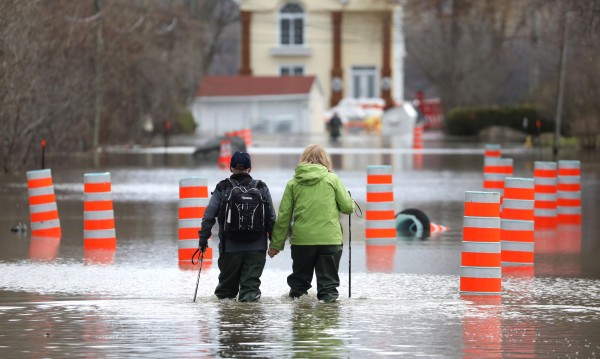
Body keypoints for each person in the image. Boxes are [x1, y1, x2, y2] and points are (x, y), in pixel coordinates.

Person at [268, 144, 354, 303]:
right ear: (326, 160)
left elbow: (284, 216)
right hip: (330, 240)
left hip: (302, 241)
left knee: (299, 287)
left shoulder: (293, 183)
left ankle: (300, 322)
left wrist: (276, 245)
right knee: (328, 287)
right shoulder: (333, 179)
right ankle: (328, 322)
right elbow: (348, 208)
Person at [199, 151, 276, 302]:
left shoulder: (223, 187)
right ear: (250, 169)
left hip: (230, 248)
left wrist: (203, 239)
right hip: (257, 247)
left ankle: (228, 322)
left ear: (230, 168)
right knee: (251, 290)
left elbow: (209, 216)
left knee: (226, 294)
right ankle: (249, 320)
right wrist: (274, 242)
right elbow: (271, 217)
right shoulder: (261, 187)